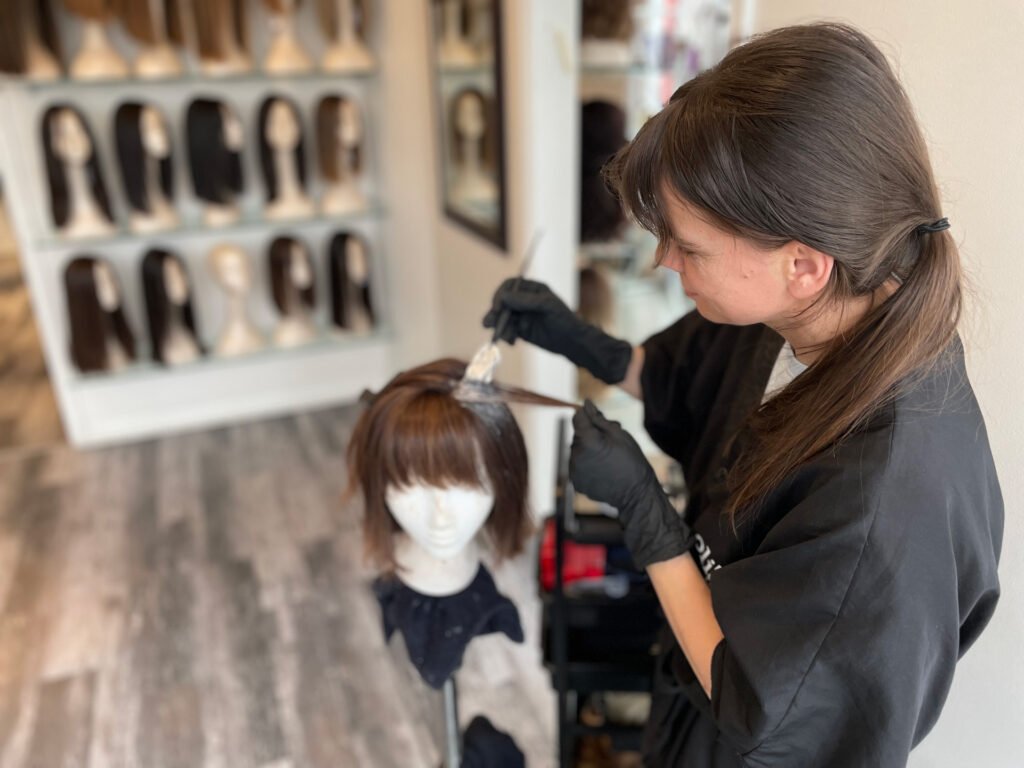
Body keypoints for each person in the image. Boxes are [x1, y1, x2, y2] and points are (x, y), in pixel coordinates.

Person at [483, 23, 1003, 768]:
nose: (665, 260)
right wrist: (575, 339)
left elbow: (753, 690)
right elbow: (685, 382)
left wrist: (646, 517)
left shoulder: (886, 502)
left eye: (688, 247)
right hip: (687, 704)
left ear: (803, 263)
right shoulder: (807, 308)